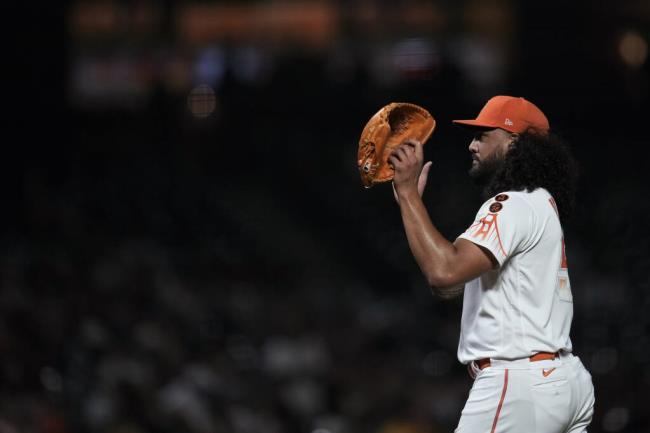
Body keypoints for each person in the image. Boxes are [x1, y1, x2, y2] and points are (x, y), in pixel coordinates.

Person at [389, 95, 595, 433]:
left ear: (514, 144)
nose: (472, 145)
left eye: (483, 135)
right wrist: (409, 204)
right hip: (563, 380)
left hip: (519, 383)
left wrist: (409, 193)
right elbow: (450, 285)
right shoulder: (539, 203)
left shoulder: (511, 204)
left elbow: (444, 272)